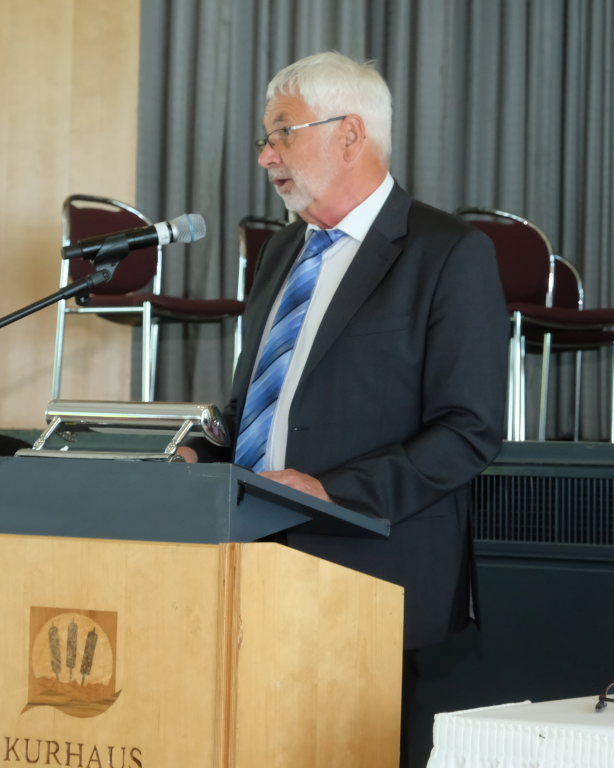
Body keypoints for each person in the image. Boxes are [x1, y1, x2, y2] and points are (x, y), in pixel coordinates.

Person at [183, 51, 508, 654]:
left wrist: (331, 492)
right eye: (264, 138)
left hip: (371, 573)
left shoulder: (448, 253)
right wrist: (198, 451)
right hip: (248, 558)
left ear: (350, 135)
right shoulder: (281, 251)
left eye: (282, 132)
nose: (266, 156)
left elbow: (469, 430)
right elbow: (257, 406)